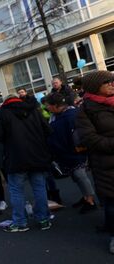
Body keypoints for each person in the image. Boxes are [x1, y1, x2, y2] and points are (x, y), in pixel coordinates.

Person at [0, 94, 52, 232]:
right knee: (39, 188)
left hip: (15, 157)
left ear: (6, 102)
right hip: (37, 155)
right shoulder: (33, 110)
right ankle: (43, 219)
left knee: (16, 191)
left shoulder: (2, 114)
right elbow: (48, 130)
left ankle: (20, 222)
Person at [74, 70, 114, 254]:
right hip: (106, 165)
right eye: (107, 82)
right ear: (95, 87)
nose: (112, 84)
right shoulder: (85, 110)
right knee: (112, 202)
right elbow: (90, 139)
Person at [44, 92, 97, 214]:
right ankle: (85, 197)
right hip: (67, 153)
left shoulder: (70, 116)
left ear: (56, 105)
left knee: (80, 175)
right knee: (76, 176)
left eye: (48, 105)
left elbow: (76, 137)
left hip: (75, 152)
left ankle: (90, 200)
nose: (46, 108)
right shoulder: (57, 116)